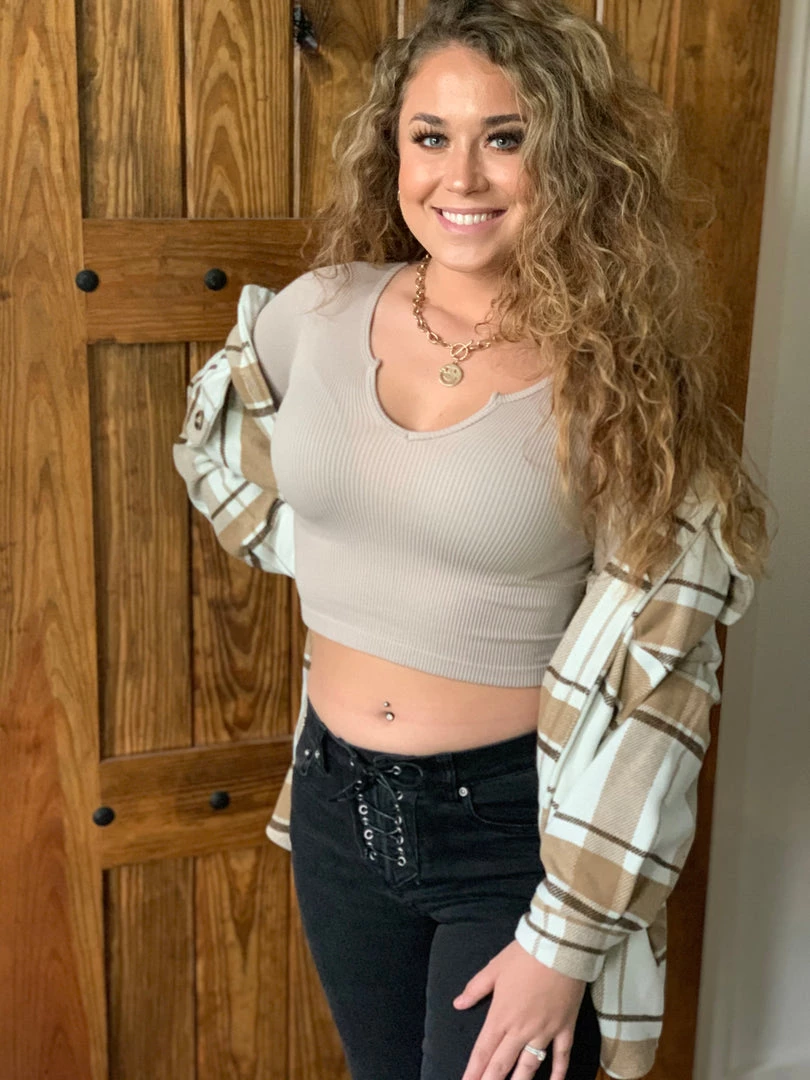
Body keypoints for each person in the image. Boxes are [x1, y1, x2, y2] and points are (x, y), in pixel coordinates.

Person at [173, 2, 770, 1078]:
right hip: (334, 802)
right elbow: (226, 440)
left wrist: (566, 939)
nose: (462, 175)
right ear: (393, 150)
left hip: (512, 832)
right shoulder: (315, 313)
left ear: (571, 159)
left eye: (506, 138)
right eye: (431, 136)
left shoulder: (618, 380)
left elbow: (664, 680)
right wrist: (343, 556)